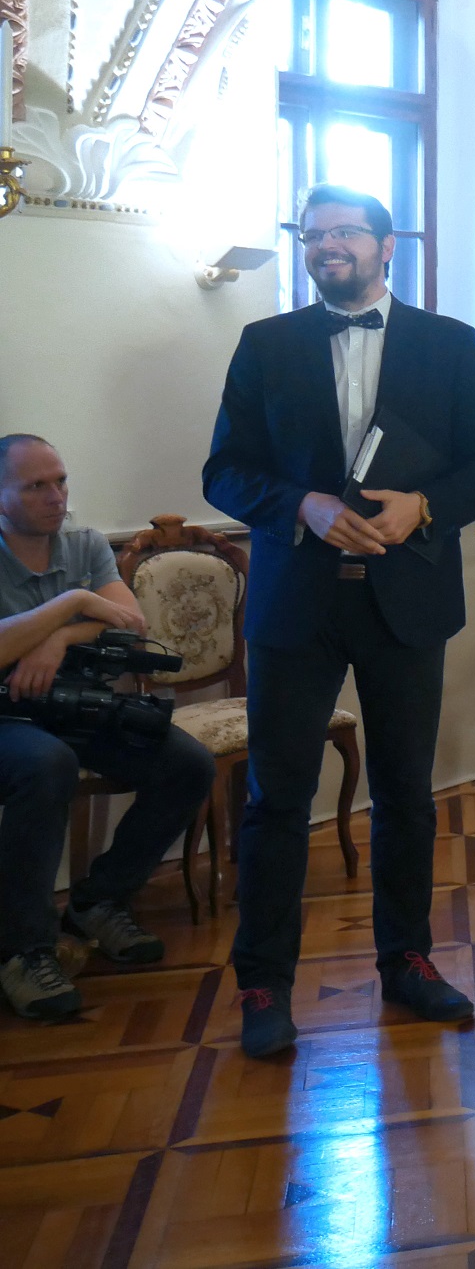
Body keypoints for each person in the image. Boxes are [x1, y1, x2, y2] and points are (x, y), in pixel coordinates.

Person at [204, 185, 475, 1058]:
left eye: (344, 231)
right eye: (313, 234)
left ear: (386, 247)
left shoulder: (451, 344)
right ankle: (264, 983)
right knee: (276, 801)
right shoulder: (265, 344)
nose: (326, 244)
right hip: (296, 604)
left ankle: (407, 962)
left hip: (405, 600)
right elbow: (223, 471)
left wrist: (426, 507)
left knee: (407, 795)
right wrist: (298, 504)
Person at [0, 435, 215, 1022]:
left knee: (186, 764)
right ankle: (23, 949)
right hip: (8, 716)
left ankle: (98, 902)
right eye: (36, 486)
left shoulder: (85, 542)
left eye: (61, 480)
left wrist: (57, 639)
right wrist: (73, 602)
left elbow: (128, 622)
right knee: (47, 765)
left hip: (77, 702)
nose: (56, 496)